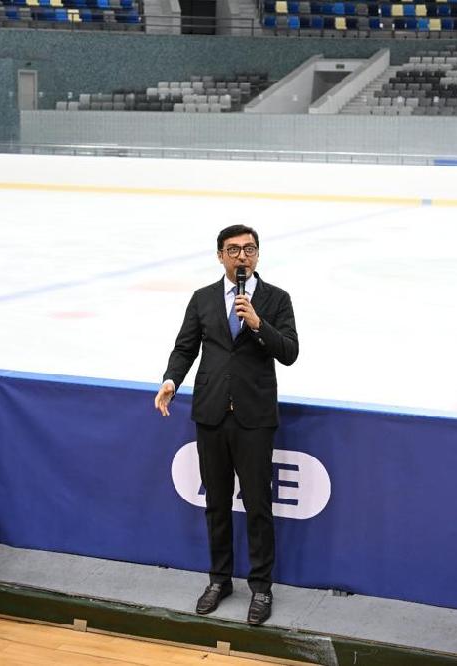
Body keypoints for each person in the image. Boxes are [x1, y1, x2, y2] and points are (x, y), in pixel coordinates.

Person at [155, 224, 298, 626]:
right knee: (216, 503)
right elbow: (185, 347)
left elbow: (289, 352)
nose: (242, 256)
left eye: (249, 249)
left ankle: (261, 587)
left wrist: (257, 323)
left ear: (258, 255)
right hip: (212, 413)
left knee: (257, 505)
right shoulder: (202, 298)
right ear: (220, 256)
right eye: (233, 250)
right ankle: (219, 580)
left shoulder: (276, 299)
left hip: (254, 418)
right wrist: (171, 380)